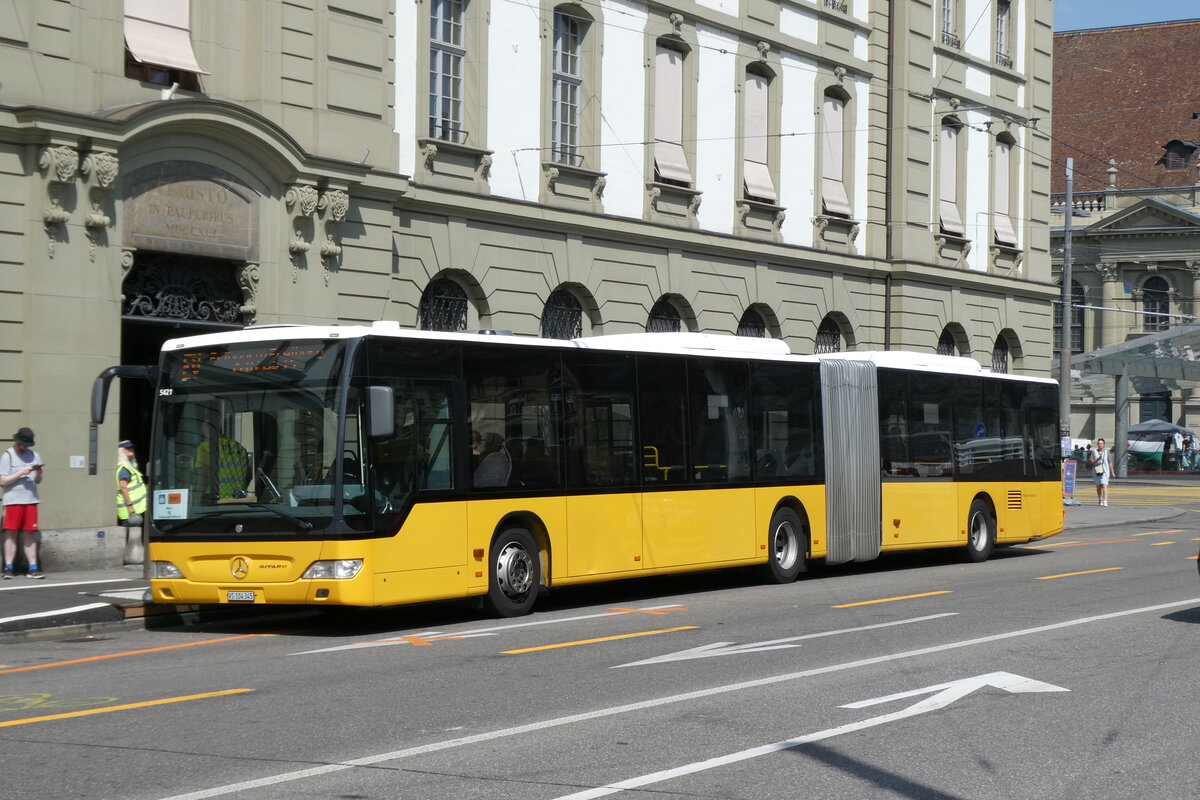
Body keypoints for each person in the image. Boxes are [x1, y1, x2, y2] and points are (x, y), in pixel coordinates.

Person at [0, 427, 44, 578]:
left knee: (29, 533)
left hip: (31, 500)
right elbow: (3, 481)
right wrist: (20, 472)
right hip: (13, 501)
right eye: (22, 444)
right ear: (16, 441)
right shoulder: (8, 456)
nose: (24, 447)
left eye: (26, 445)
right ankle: (8, 568)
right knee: (10, 534)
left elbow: (38, 481)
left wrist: (38, 473)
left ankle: (32, 567)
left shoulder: (34, 455)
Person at [116, 440, 147, 526]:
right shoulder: (124, 468)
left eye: (131, 447)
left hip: (134, 511)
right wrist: (130, 506)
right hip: (130, 513)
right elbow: (123, 487)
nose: (131, 449)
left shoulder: (129, 466)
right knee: (130, 537)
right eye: (127, 448)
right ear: (121, 451)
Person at [1089, 437, 1111, 507]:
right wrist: (1097, 459)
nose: (1100, 445)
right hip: (1097, 471)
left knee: (1104, 485)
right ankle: (1100, 499)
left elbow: (1110, 462)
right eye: (1098, 443)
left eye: (1101, 443)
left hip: (1105, 471)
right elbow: (1092, 462)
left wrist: (1113, 471)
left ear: (1104, 444)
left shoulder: (1107, 452)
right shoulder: (1093, 452)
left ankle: (1105, 501)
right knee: (1098, 486)